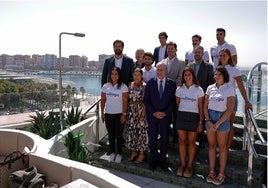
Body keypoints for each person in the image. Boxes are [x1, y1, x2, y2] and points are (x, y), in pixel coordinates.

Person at [204, 66, 235, 185]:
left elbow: (230, 109)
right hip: (210, 118)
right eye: (215, 74)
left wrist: (217, 123)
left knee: (222, 147)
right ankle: (212, 171)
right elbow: (205, 106)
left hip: (223, 119)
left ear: (224, 76)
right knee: (211, 146)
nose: (216, 76)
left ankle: (221, 173)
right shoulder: (209, 88)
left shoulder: (229, 88)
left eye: (219, 74)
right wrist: (208, 120)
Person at [144, 61, 176, 172]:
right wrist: (153, 112)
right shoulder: (150, 83)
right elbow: (146, 100)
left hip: (165, 117)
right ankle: (153, 159)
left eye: (162, 69)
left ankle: (162, 160)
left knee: (164, 139)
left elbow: (173, 101)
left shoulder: (172, 84)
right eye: (158, 69)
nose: (159, 71)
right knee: (152, 138)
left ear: (166, 71)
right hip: (152, 116)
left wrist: (165, 113)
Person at [218, 48, 253, 149]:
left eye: (224, 55)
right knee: (219, 123)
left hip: (231, 100)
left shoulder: (235, 69)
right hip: (218, 101)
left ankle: (226, 148)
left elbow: (241, 86)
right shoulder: (217, 68)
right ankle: (219, 147)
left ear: (229, 57)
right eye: (220, 55)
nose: (222, 57)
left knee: (229, 124)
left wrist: (246, 101)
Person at [175, 67, 204, 178]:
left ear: (193, 76)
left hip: (194, 117)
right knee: (182, 141)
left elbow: (201, 107)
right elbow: (178, 103)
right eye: (185, 75)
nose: (187, 77)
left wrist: (201, 122)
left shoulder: (199, 89)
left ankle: (189, 166)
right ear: (183, 77)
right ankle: (182, 164)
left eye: (189, 75)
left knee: (192, 142)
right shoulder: (179, 89)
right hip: (181, 116)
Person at [187, 46, 215, 148]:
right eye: (196, 52)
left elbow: (211, 82)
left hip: (203, 96)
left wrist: (207, 97)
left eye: (199, 52)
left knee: (202, 117)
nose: (197, 54)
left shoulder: (208, 66)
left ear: (202, 54)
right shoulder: (189, 66)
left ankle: (202, 139)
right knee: (193, 116)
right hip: (190, 96)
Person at [101, 67, 129, 163]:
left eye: (116, 74)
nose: (114, 75)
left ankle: (119, 154)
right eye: (112, 73)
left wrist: (124, 114)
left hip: (119, 114)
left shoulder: (123, 86)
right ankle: (112, 152)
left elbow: (125, 101)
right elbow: (103, 100)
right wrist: (102, 113)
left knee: (119, 135)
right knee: (111, 135)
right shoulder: (105, 86)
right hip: (108, 114)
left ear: (119, 75)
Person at [161, 41, 185, 143]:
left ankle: (175, 136)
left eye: (172, 48)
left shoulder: (181, 62)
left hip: (175, 93)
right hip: (163, 93)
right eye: (168, 48)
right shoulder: (162, 62)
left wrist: (170, 87)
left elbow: (180, 78)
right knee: (164, 115)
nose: (170, 50)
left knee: (175, 115)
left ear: (176, 50)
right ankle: (163, 134)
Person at [124, 68, 149, 164]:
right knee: (132, 131)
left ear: (141, 76)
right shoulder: (129, 84)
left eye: (138, 75)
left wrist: (143, 113)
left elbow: (145, 101)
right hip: (131, 110)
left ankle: (142, 153)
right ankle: (134, 151)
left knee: (141, 131)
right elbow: (127, 99)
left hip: (140, 109)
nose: (136, 76)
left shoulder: (144, 86)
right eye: (135, 74)